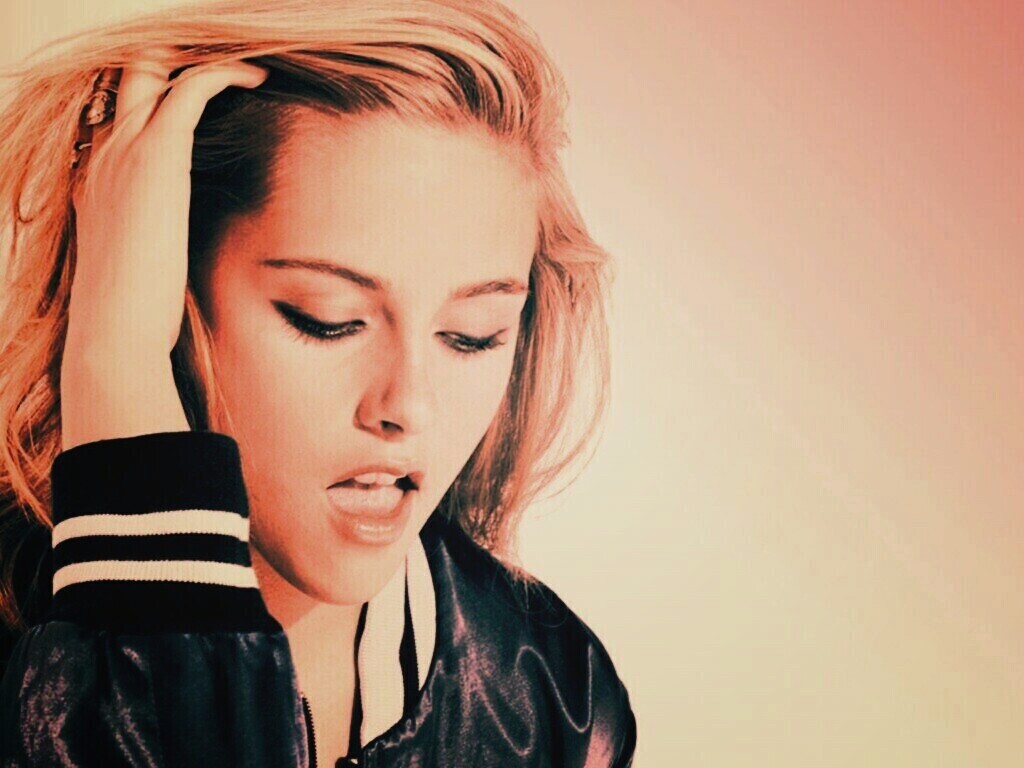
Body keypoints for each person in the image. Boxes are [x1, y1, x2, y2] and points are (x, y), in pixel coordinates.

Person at [0, 0, 636, 765]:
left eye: (472, 334)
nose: (407, 406)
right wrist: (114, 364)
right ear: (167, 289)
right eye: (327, 320)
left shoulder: (557, 698)